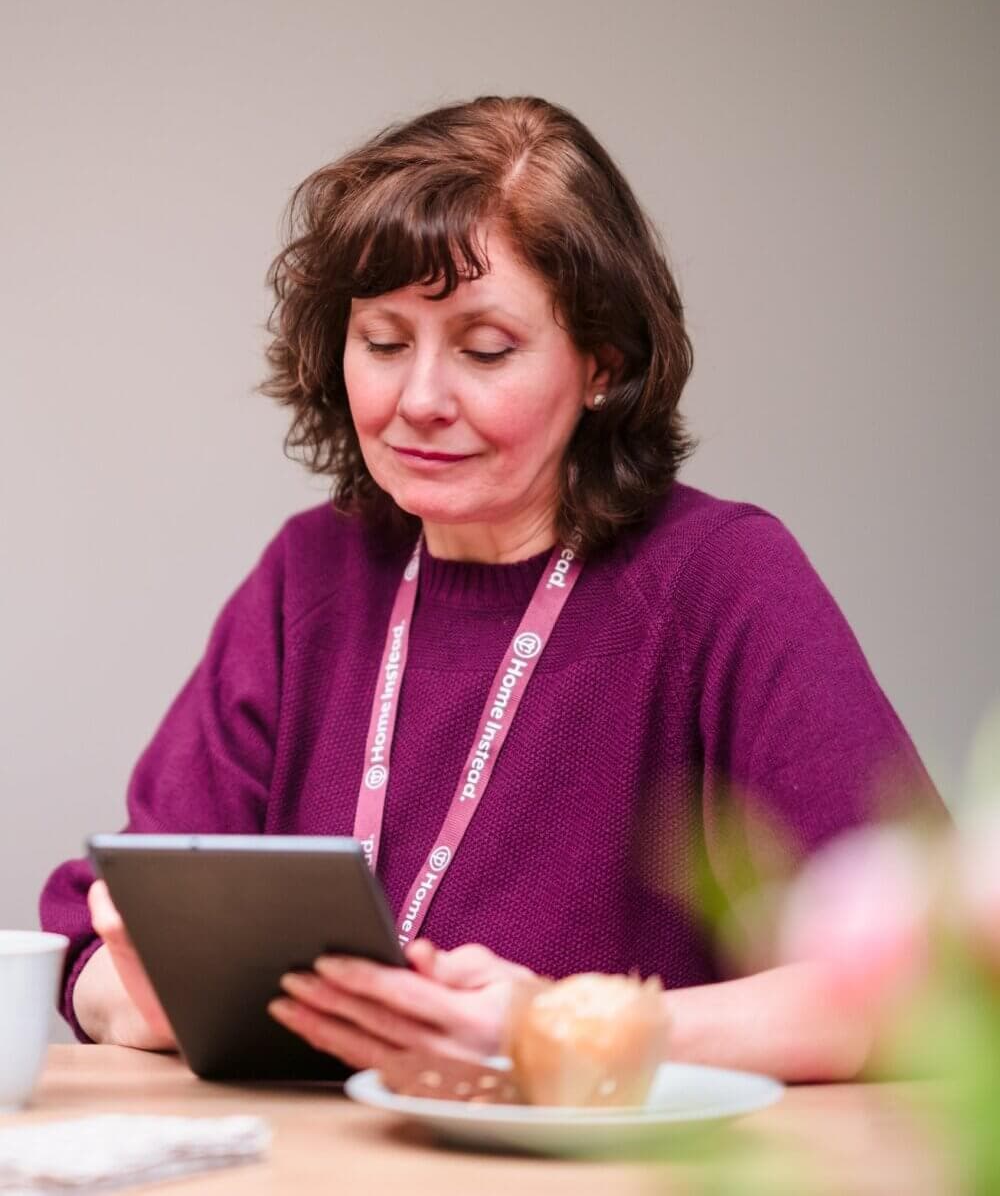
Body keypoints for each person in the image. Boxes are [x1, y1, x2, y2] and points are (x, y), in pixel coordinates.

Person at [40, 95, 946, 1082]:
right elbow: (94, 942)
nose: (420, 399)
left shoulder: (722, 580)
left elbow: (926, 982)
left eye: (483, 349)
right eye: (383, 342)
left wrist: (552, 1024)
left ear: (601, 360)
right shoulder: (310, 575)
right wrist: (149, 993)